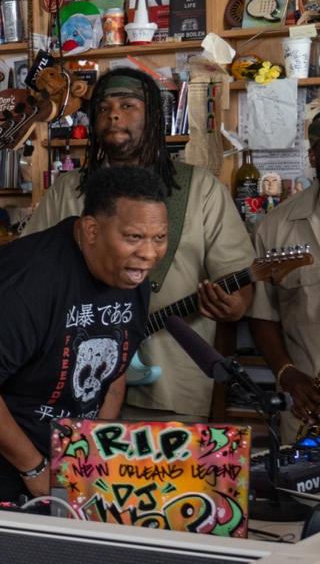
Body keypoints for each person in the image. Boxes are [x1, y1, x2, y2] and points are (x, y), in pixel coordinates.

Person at [0, 166, 168, 503]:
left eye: (160, 238)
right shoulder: (28, 280)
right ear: (92, 230)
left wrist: (89, 452)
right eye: (134, 237)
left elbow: (114, 371)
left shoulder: (130, 275)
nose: (149, 253)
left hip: (54, 449)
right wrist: (36, 471)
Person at [23, 68, 254, 422]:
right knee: (80, 478)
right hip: (74, 382)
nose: (113, 114)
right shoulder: (67, 190)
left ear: (154, 116)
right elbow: (29, 276)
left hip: (172, 386)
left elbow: (239, 288)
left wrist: (232, 305)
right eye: (103, 107)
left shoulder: (200, 188)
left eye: (128, 105)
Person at [248, 116, 320, 440]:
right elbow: (263, 315)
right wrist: (287, 373)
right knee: (302, 491)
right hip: (307, 408)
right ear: (314, 156)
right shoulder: (274, 228)